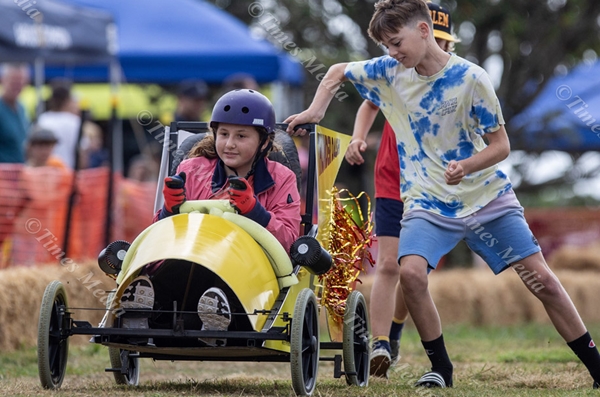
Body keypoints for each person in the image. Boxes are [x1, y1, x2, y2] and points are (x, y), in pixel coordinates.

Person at [285, 0, 600, 389]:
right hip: (427, 204)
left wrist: (466, 166)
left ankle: (596, 367)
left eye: (397, 42)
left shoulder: (471, 78)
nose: (392, 53)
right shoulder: (389, 72)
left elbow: (501, 147)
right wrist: (316, 113)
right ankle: (441, 368)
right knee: (411, 274)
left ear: (423, 30)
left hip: (487, 199)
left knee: (543, 283)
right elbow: (335, 72)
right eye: (385, 45)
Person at [121, 89, 302, 345]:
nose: (229, 144)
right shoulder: (190, 169)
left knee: (223, 270)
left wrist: (254, 211)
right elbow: (159, 238)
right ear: (214, 135)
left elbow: (289, 242)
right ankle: (146, 309)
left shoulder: (282, 178)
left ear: (264, 142)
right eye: (224, 134)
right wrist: (169, 211)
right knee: (177, 264)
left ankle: (216, 308)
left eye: (241, 136)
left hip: (249, 273)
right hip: (189, 260)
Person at [344, 1, 460, 377]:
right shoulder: (394, 72)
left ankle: (393, 332)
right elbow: (368, 105)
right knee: (390, 264)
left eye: (443, 41)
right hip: (392, 177)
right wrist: (358, 139)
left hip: (433, 184)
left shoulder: (459, 79)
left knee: (415, 274)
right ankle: (379, 343)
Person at [37, 80, 81, 169]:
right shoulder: (75, 122)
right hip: (68, 174)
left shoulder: (43, 119)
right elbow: (82, 154)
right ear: (67, 100)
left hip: (45, 173)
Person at [0, 63, 30, 163]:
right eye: (13, 82)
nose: (17, 86)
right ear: (3, 80)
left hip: (20, 173)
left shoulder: (21, 108)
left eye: (20, 82)